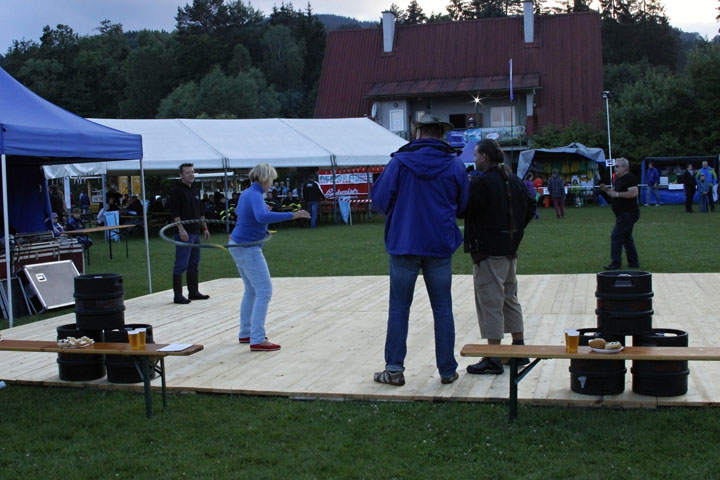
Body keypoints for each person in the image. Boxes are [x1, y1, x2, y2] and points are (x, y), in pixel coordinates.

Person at [371, 114, 469, 386]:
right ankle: (447, 370)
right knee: (443, 309)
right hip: (439, 244)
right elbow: (463, 205)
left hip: (405, 242)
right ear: (442, 134)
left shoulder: (400, 162)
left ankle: (394, 369)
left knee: (399, 309)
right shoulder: (455, 164)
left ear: (418, 133)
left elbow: (379, 200)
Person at [462, 139, 536, 375]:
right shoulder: (513, 179)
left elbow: (464, 210)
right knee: (509, 298)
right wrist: (515, 231)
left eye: (476, 155)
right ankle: (518, 348)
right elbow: (531, 206)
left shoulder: (482, 182)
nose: (474, 159)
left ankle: (493, 357)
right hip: (509, 249)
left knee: (491, 302)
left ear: (484, 157)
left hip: (489, 251)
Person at [229, 164, 310, 351]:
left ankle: (246, 332)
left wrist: (261, 209)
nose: (271, 184)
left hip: (238, 244)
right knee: (264, 291)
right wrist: (293, 215)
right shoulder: (255, 195)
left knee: (251, 289)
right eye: (271, 180)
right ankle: (257, 338)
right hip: (248, 247)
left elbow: (241, 213)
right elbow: (261, 217)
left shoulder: (248, 193)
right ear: (265, 179)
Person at [169, 163, 211, 304]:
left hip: (196, 231)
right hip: (184, 232)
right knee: (181, 263)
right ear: (181, 174)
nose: (191, 174)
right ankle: (178, 295)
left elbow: (200, 211)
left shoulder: (195, 190)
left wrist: (205, 228)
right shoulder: (176, 190)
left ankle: (193, 292)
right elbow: (175, 212)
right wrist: (181, 229)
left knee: (194, 263)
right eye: (187, 172)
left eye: (192, 172)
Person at [599, 158, 640, 270]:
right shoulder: (618, 179)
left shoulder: (629, 178)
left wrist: (617, 194)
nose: (615, 168)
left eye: (617, 166)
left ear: (625, 168)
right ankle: (634, 262)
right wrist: (606, 190)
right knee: (626, 238)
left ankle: (616, 263)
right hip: (622, 214)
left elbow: (634, 193)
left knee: (616, 236)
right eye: (615, 166)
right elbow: (613, 193)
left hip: (628, 213)